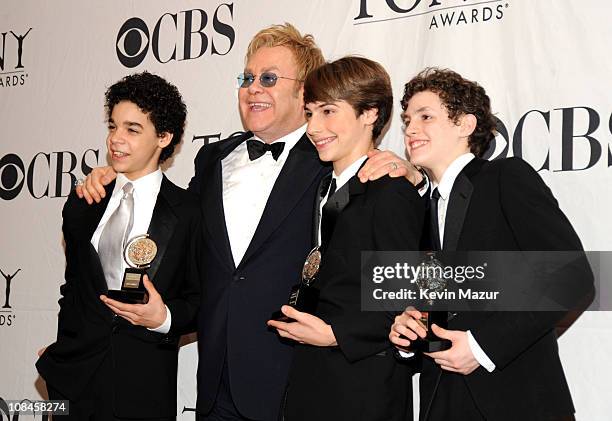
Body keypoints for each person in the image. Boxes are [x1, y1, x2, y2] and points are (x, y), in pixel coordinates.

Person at [76, 24, 420, 421]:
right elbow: (176, 245)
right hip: (215, 383)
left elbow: (405, 273)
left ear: (304, 91)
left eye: (269, 78)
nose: (253, 88)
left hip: (298, 380)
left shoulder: (333, 162)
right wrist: (117, 181)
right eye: (247, 78)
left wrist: (416, 177)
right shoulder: (212, 160)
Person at [389, 68, 594, 421]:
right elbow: (437, 306)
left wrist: (481, 347)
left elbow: (571, 277)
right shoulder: (421, 208)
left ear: (465, 125)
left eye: (426, 116)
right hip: (442, 403)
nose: (410, 129)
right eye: (407, 119)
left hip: (518, 402)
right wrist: (409, 333)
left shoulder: (505, 178)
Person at [36, 72, 201, 420]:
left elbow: (202, 299)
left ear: (164, 137)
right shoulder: (84, 201)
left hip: (143, 386)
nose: (116, 139)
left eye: (132, 129)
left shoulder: (189, 212)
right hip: (75, 384)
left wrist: (165, 318)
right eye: (113, 126)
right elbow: (74, 287)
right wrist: (61, 353)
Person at [267, 56, 424, 421]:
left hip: (364, 388)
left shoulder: (390, 193)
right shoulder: (323, 187)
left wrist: (335, 333)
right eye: (309, 114)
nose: (313, 127)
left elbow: (403, 305)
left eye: (328, 112)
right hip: (312, 378)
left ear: (370, 113)